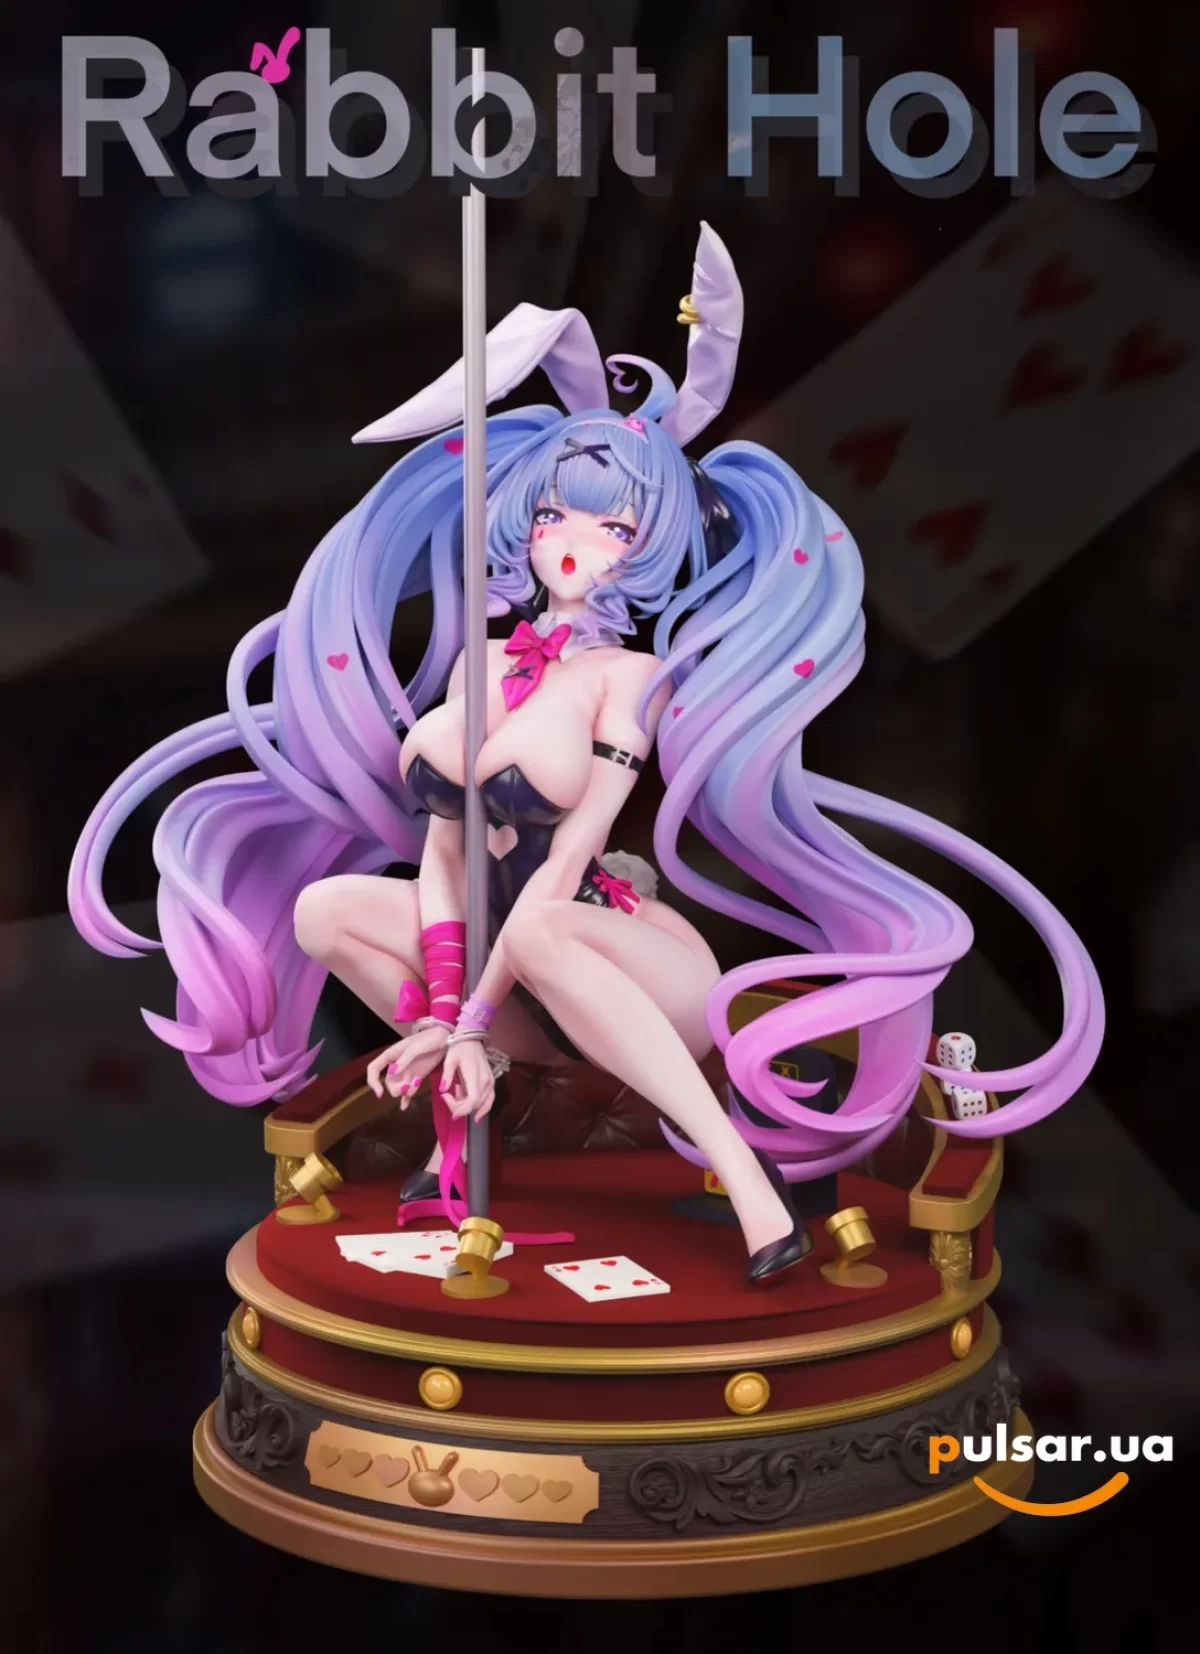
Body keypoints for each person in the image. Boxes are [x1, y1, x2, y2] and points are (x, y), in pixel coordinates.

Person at [68, 226, 1103, 1286]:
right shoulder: (478, 662)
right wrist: (446, 1022)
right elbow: (444, 855)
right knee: (324, 909)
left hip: (628, 963)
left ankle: (748, 1180)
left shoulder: (630, 678)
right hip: (515, 982)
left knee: (545, 919)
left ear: (648, 542)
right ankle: (462, 1110)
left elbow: (566, 862)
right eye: (555, 511)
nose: (571, 538)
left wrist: (472, 1014)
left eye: (609, 526)